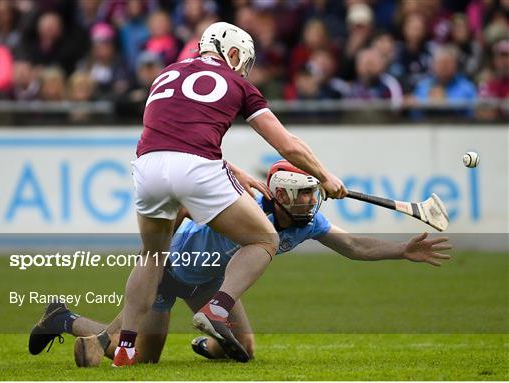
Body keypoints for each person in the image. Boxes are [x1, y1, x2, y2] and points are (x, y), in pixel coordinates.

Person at [97, 20, 347, 367]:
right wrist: (324, 175)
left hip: (147, 164)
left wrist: (230, 169)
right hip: (198, 167)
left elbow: (175, 133)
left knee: (152, 256)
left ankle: (124, 346)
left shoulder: (166, 73)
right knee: (264, 238)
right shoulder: (238, 85)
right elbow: (287, 144)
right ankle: (217, 309)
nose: (243, 71)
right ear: (231, 53)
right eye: (243, 62)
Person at [28, 161, 452, 365]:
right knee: (135, 356)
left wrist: (402, 250)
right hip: (168, 274)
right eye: (301, 195)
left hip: (210, 284)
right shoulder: (244, 207)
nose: (309, 202)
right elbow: (196, 188)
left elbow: (355, 246)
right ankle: (63, 318)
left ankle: (205, 341)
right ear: (280, 195)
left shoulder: (309, 222)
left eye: (312, 193)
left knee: (244, 349)